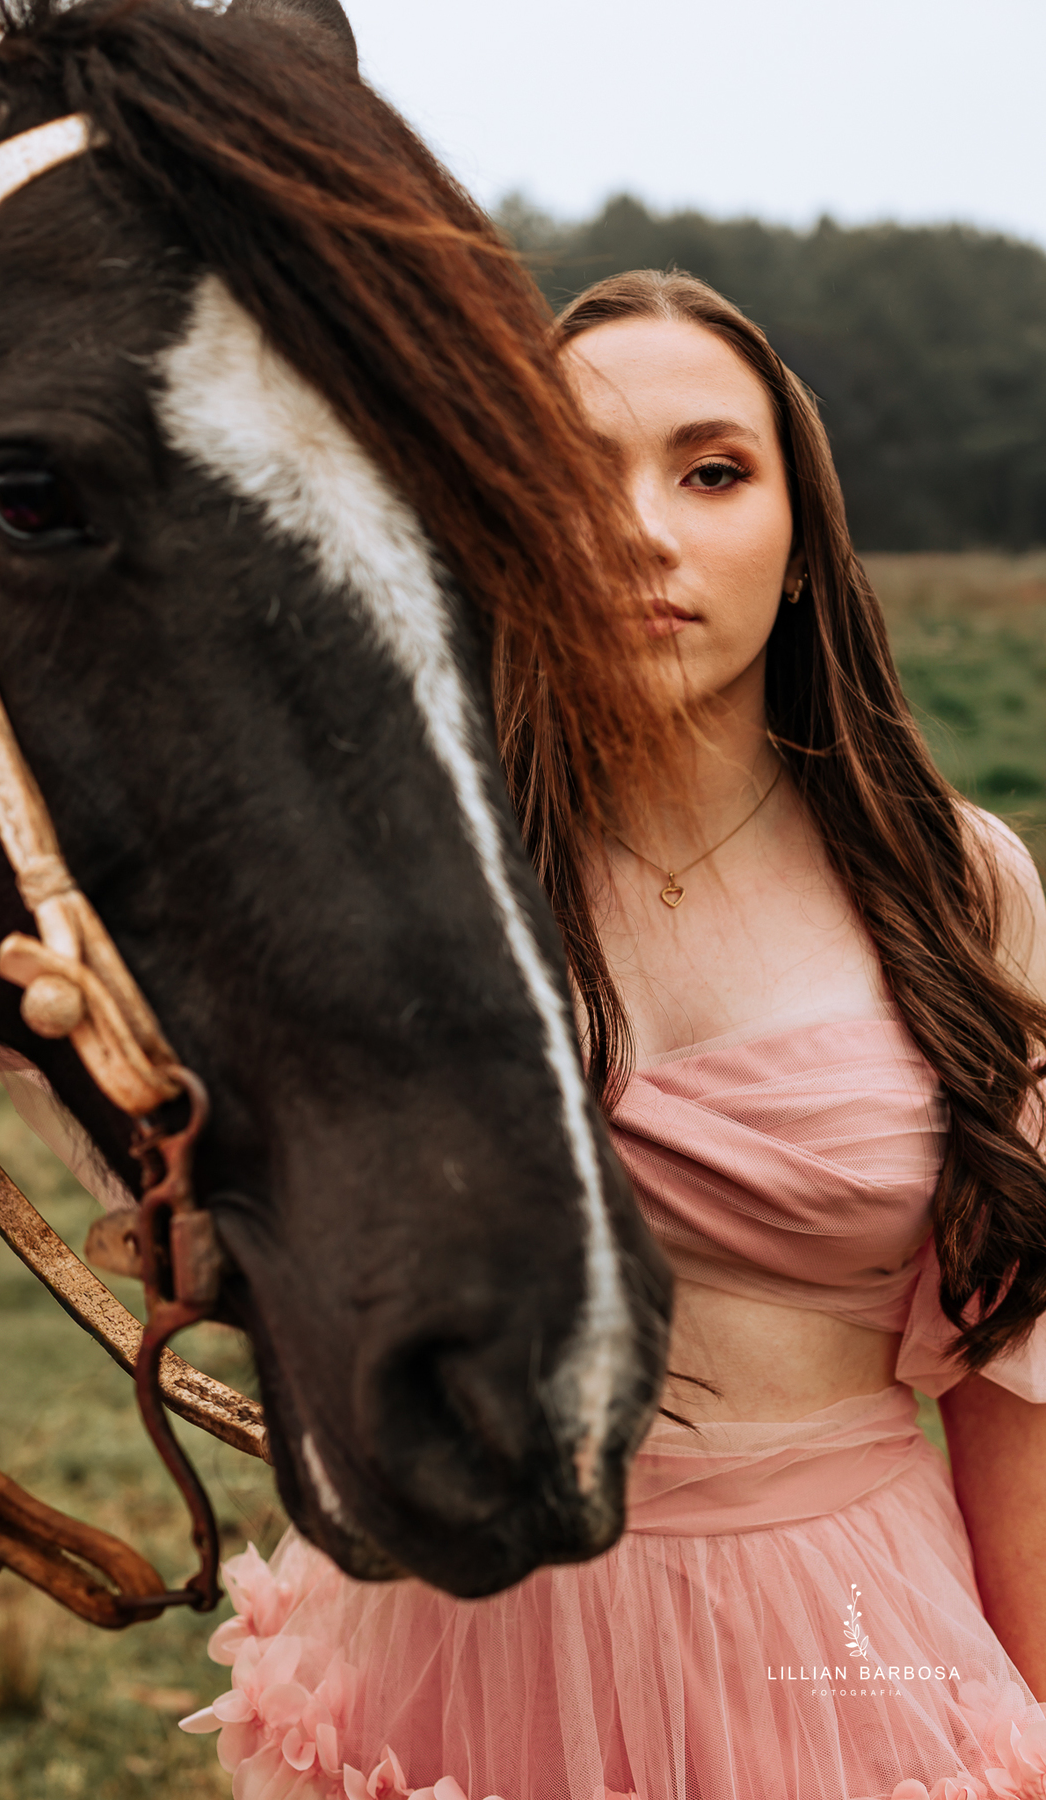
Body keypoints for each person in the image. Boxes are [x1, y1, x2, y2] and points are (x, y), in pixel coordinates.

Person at [176, 270, 1046, 1800]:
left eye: (712, 472)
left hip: (845, 1655)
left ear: (798, 551)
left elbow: (1015, 1395)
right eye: (573, 479)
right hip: (460, 1643)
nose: (640, 529)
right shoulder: (407, 877)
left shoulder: (956, 886)